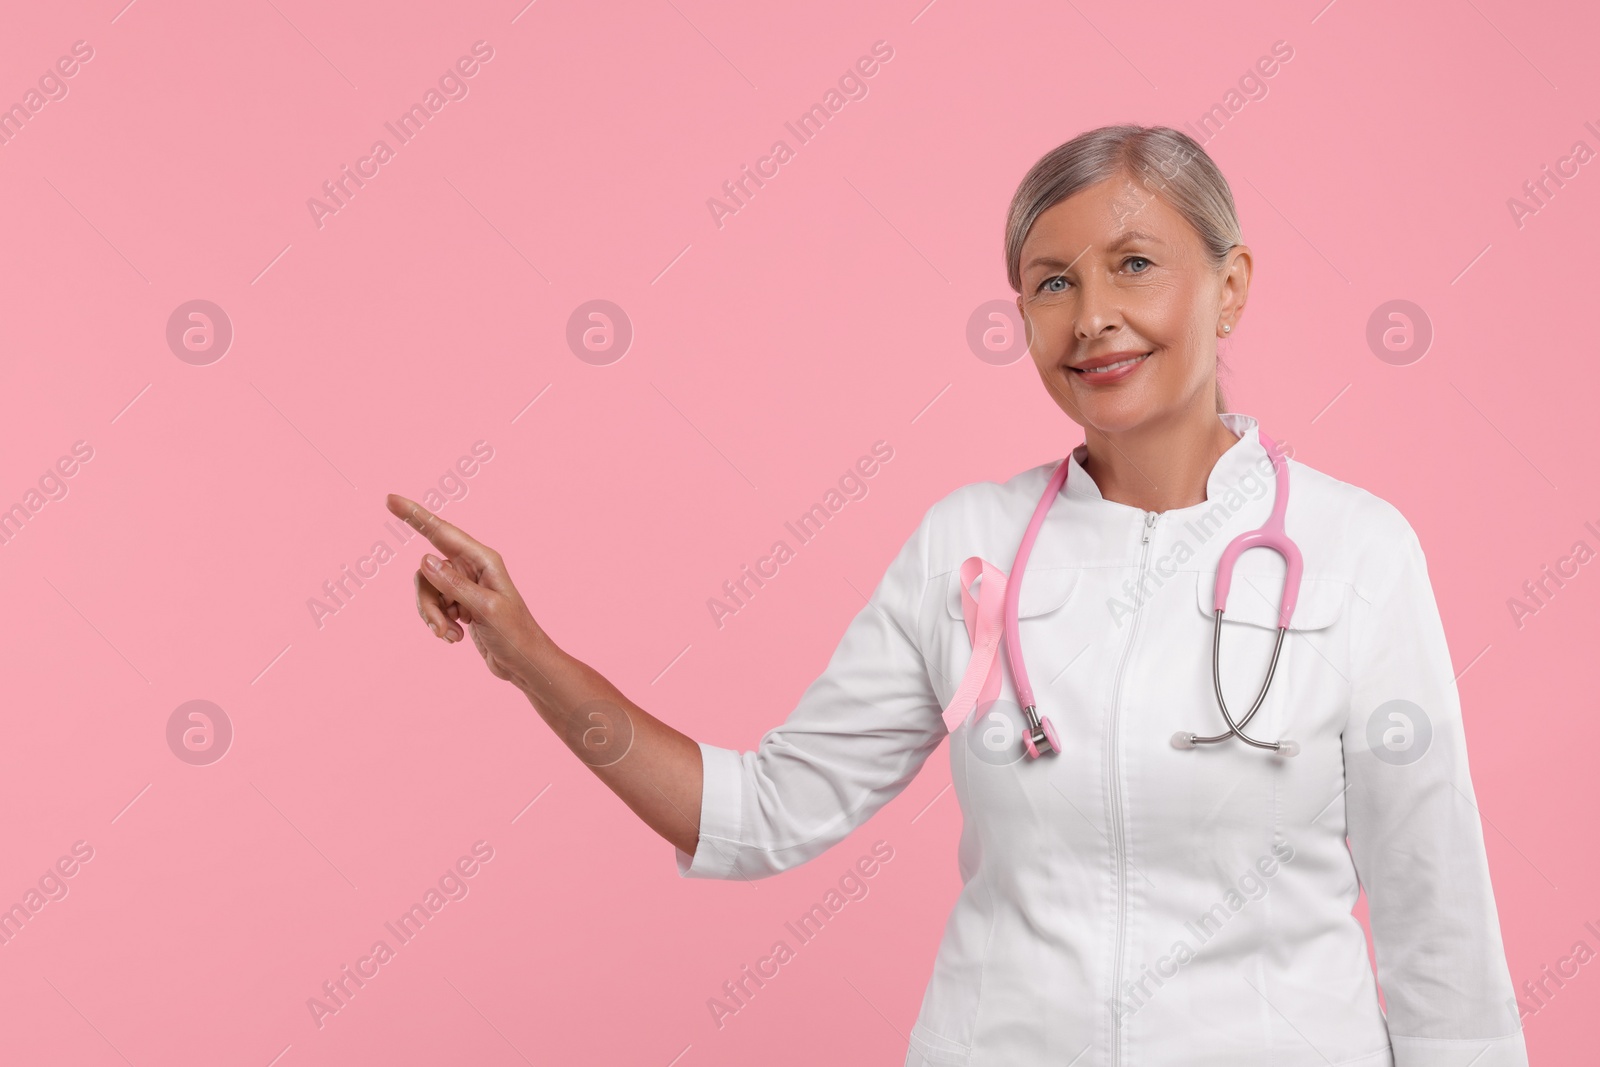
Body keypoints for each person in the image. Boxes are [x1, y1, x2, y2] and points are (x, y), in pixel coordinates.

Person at [386, 124, 1528, 1066]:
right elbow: (758, 812)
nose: (1089, 315)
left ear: (1229, 287)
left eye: (1133, 263)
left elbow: (1440, 927)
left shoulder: (1356, 551)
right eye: (1049, 282)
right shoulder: (968, 549)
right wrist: (527, 651)